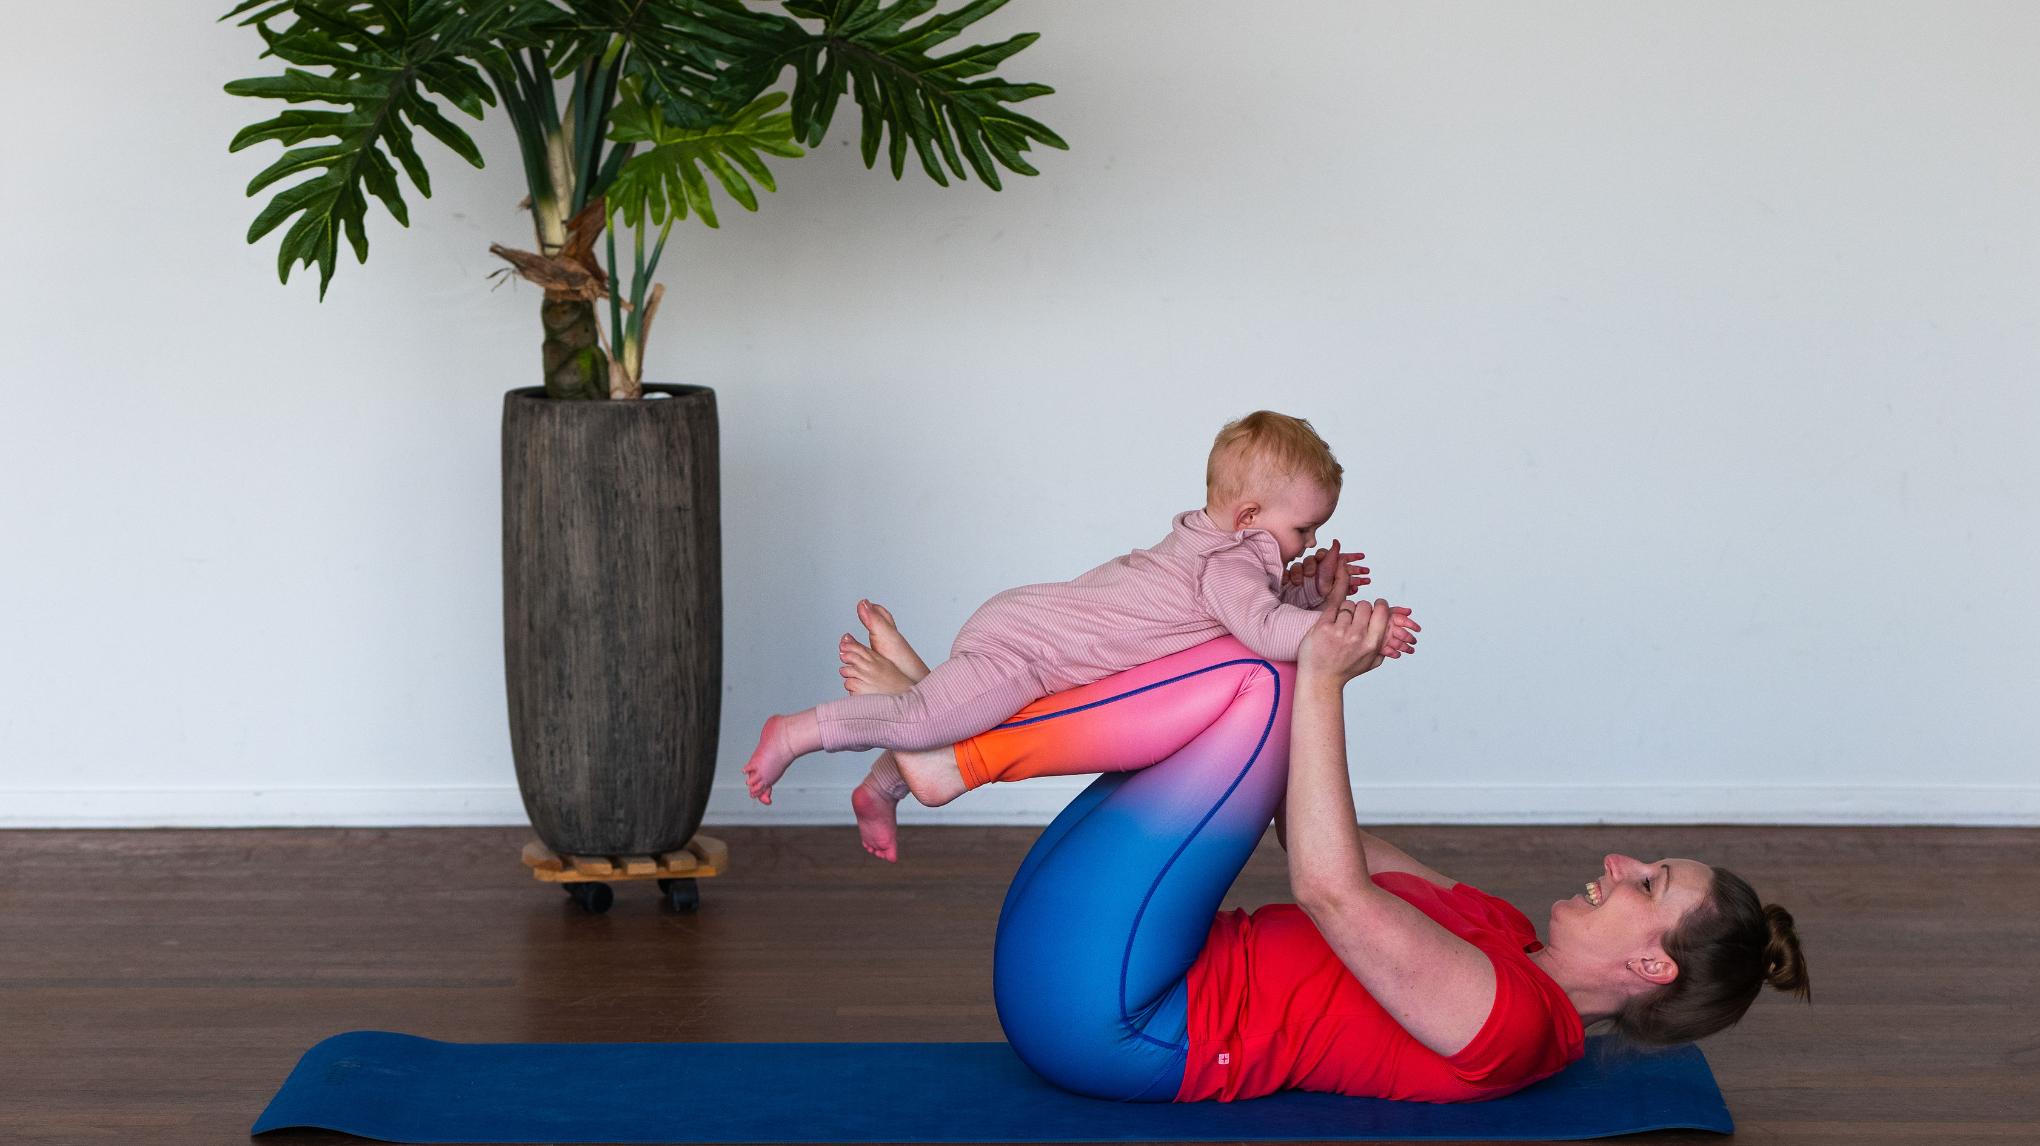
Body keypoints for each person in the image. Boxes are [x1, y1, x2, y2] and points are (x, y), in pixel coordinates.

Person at [837, 576, 1810, 1104]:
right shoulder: (1503, 929)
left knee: (1265, 685)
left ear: (1653, 965)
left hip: (1121, 1021)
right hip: (1133, 954)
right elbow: (1294, 816)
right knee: (1248, 663)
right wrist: (1291, 620)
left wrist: (1320, 679)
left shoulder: (1518, 1026)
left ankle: (949, 752)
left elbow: (1331, 890)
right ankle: (954, 738)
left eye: (1649, 883)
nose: (1618, 864)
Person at [741, 410, 1416, 862]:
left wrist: (1307, 589)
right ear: (1247, 516)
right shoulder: (1230, 561)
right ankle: (797, 732)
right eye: (1302, 530)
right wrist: (1352, 629)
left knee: (954, 724)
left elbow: (1247, 614)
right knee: (923, 718)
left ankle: (881, 790)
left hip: (1027, 623)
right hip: (1030, 652)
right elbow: (1264, 627)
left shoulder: (1220, 550)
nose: (1310, 540)